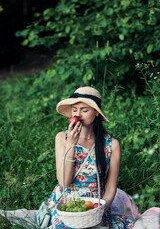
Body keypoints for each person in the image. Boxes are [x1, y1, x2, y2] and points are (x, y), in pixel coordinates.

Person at [0, 86, 159, 229]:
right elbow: (63, 182)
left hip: (95, 207)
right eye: (75, 110)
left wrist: (98, 211)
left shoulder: (112, 144)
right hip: (67, 206)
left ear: (96, 112)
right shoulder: (62, 137)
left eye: (84, 110)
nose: (78, 114)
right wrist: (71, 145)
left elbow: (111, 189)